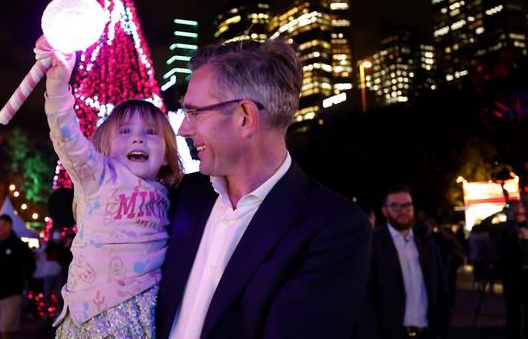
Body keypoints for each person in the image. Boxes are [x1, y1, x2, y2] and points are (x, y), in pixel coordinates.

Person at [155, 39, 372, 338]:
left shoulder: (334, 228)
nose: (184, 129)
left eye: (194, 112)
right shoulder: (181, 196)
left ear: (245, 117)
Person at [42, 35, 183, 338]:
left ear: (167, 154)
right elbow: (67, 139)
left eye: (150, 132)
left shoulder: (168, 193)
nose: (138, 138)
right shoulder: (99, 175)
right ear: (102, 148)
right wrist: (57, 87)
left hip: (149, 310)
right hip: (93, 314)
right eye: (125, 131)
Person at [360, 184, 450, 339]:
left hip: (427, 332)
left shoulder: (428, 243)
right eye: (395, 205)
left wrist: (443, 330)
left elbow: (441, 289)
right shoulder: (373, 245)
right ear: (385, 211)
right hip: (390, 333)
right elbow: (366, 297)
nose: (402, 210)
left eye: (407, 205)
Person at [0, 214, 36, 339]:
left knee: (6, 331)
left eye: (4, 223)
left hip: (10, 294)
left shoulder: (19, 245)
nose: (0, 227)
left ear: (10, 226)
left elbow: (30, 266)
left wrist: (20, 282)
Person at [498, 200, 528, 339]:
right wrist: (499, 214)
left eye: (519, 207)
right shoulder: (506, 228)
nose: (518, 211)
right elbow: (481, 227)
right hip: (512, 276)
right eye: (514, 208)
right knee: (513, 311)